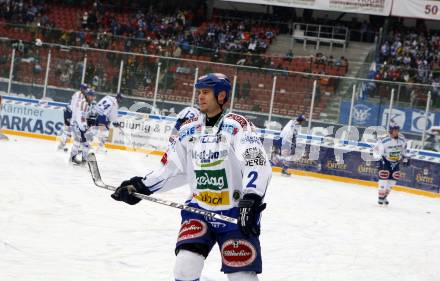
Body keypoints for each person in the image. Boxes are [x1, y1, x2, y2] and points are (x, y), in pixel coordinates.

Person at [111, 73, 272, 281]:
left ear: (221, 95)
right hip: (199, 209)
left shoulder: (238, 126)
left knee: (242, 277)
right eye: (199, 92)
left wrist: (252, 197)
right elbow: (172, 168)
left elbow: (256, 162)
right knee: (184, 267)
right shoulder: (189, 130)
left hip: (235, 213)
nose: (200, 97)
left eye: (206, 92)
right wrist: (140, 186)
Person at [373, 124, 409, 205]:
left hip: (396, 162)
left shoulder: (402, 140)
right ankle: (380, 197)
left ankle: (384, 196)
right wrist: (378, 157)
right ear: (390, 131)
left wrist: (405, 158)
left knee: (394, 179)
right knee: (384, 176)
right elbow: (375, 150)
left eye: (397, 130)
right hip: (385, 160)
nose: (396, 132)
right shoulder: (383, 140)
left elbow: (404, 150)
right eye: (394, 130)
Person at [57, 83, 88, 151]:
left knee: (69, 130)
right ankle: (61, 146)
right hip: (69, 113)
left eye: (86, 89)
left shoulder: (79, 94)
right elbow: (75, 107)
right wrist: (74, 119)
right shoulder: (79, 95)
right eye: (84, 89)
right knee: (68, 130)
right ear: (81, 89)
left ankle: (62, 145)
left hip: (70, 112)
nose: (85, 90)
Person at [70, 88, 96, 165]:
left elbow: (84, 116)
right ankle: (74, 158)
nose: (93, 98)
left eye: (94, 96)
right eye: (92, 96)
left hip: (78, 124)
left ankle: (80, 159)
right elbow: (80, 117)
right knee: (79, 143)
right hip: (78, 125)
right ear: (88, 96)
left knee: (84, 144)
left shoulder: (85, 103)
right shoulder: (83, 104)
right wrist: (84, 128)